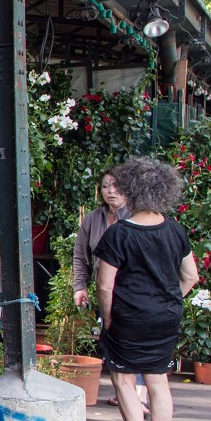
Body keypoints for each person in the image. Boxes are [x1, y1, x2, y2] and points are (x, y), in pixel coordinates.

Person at [96, 157, 198, 421]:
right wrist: (167, 301)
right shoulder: (174, 230)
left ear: (130, 191)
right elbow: (191, 276)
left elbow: (104, 286)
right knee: (158, 379)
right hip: (166, 316)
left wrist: (108, 319)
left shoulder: (119, 233)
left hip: (129, 317)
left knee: (124, 379)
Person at [71, 171, 144, 407]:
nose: (110, 191)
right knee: (112, 337)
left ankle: (138, 395)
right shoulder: (93, 219)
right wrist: (79, 286)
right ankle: (124, 390)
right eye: (105, 186)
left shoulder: (137, 218)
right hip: (106, 290)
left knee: (135, 340)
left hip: (133, 291)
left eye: (116, 186)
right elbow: (81, 256)